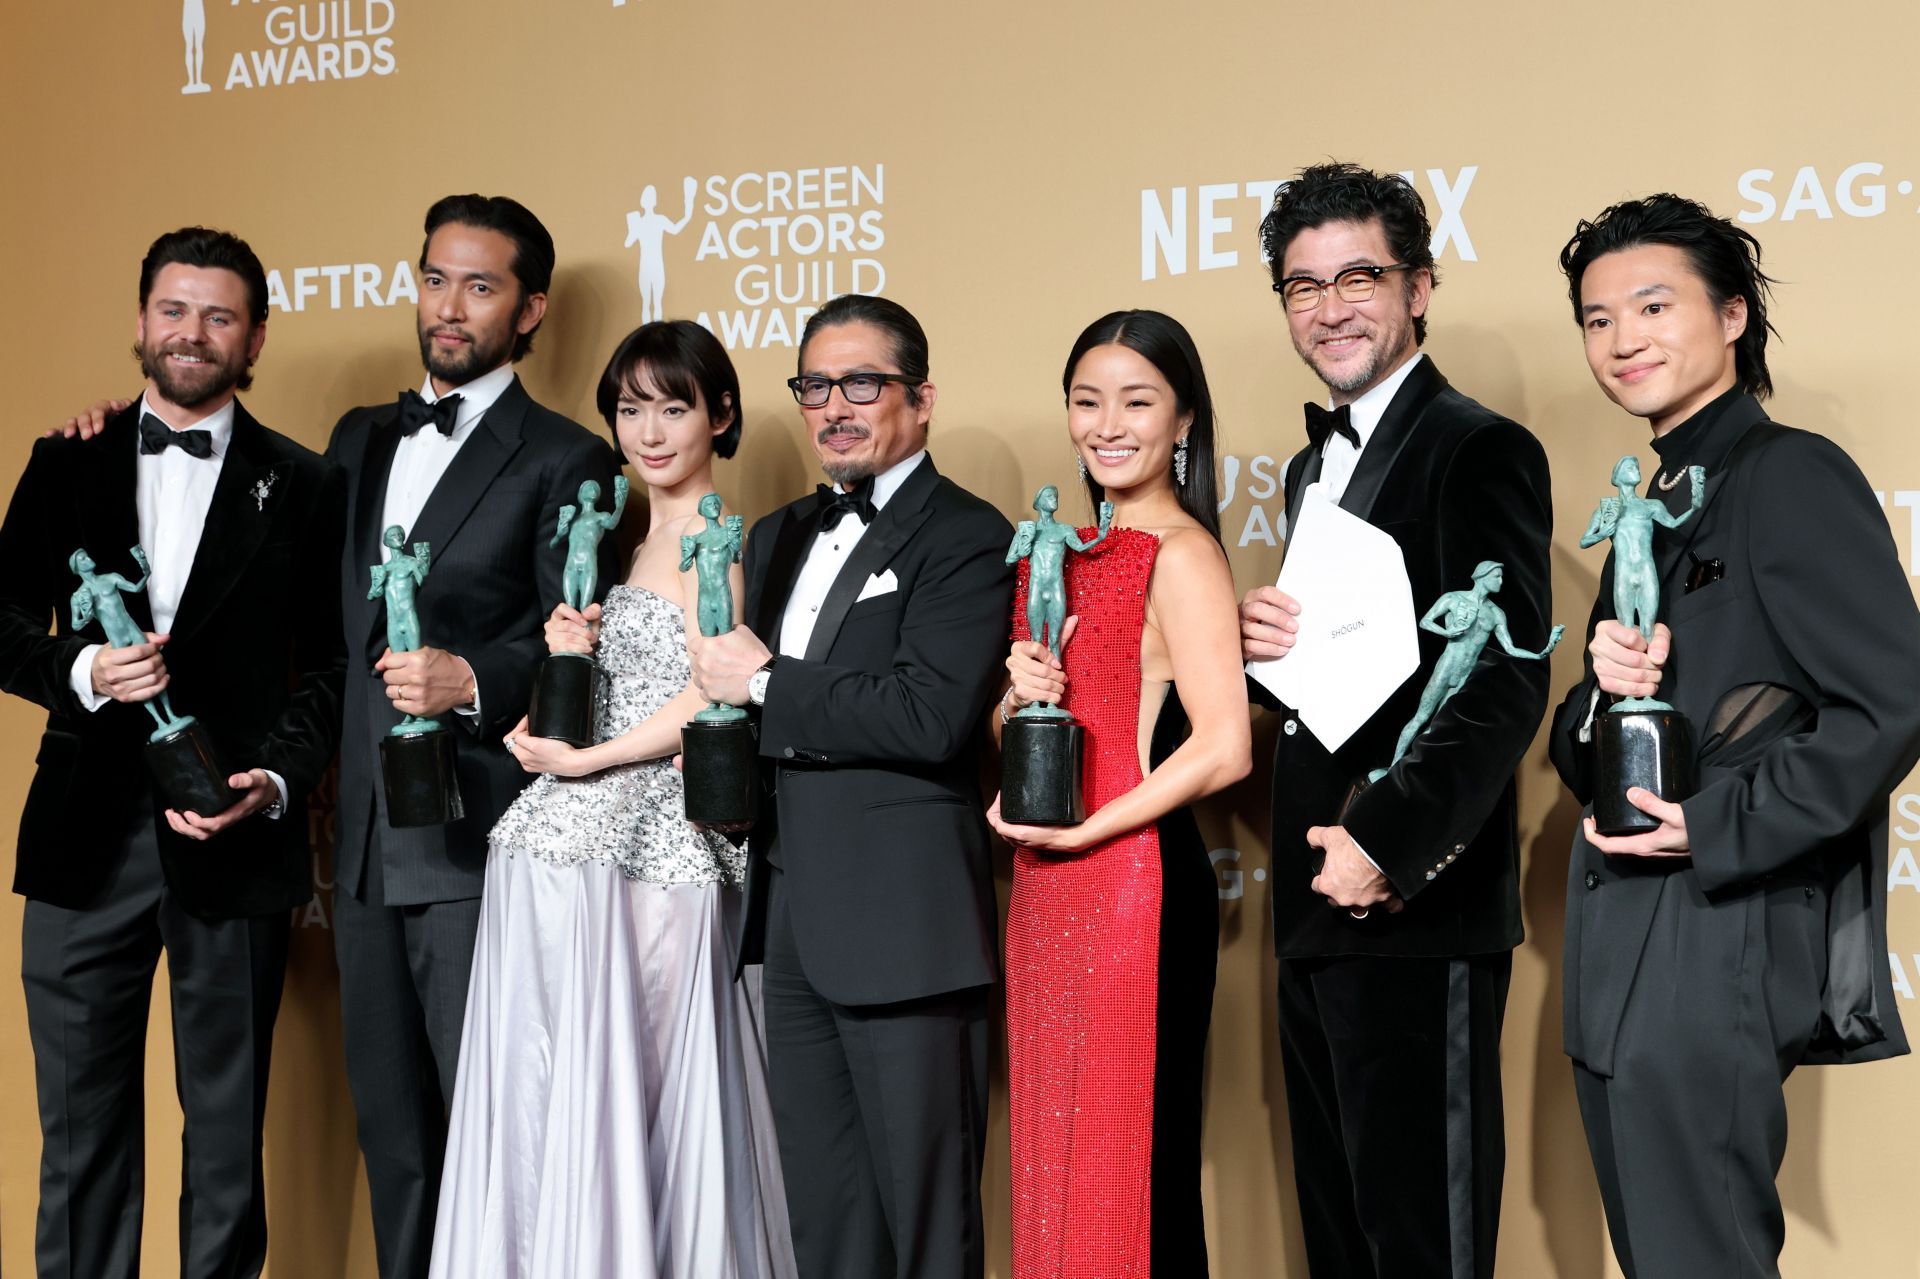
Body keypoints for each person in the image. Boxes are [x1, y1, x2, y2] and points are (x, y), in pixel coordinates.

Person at [1549, 194, 1920, 1279]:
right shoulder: (1646, 507)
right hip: (1616, 944)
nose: (1624, 340)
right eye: (1598, 317)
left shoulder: (1788, 475)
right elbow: (1586, 754)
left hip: (1719, 929)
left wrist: (1713, 825)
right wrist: (1596, 700)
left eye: (1654, 305)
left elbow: (1890, 702)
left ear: (1733, 317)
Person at [0, 226, 345, 1278]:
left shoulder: (306, 482)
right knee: (80, 1137)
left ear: (256, 337)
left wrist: (276, 781)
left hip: (233, 844)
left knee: (228, 1146)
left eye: (219, 315)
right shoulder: (66, 460)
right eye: (173, 310)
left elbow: (333, 668)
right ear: (140, 320)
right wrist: (84, 671)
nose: (191, 334)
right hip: (81, 847)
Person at [1237, 163, 1555, 1278]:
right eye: (1302, 286)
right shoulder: (1311, 467)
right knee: (1344, 1245)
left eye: (1358, 277)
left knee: (1425, 1247)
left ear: (1420, 286)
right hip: (1313, 912)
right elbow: (1361, 667)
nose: (1329, 308)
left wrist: (1388, 842)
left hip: (1417, 906)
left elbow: (1506, 679)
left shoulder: (1479, 447)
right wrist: (1262, 652)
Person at [429, 321, 794, 1278]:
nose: (650, 431)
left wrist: (588, 763)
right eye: (632, 409)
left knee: (642, 1081)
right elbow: (624, 683)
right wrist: (556, 693)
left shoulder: (721, 538)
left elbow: (713, 690)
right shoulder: (632, 536)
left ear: (721, 415)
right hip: (586, 826)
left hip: (656, 840)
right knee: (562, 1076)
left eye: (674, 407)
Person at [689, 294, 1013, 1279]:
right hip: (790, 925)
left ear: (920, 399)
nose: (836, 405)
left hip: (906, 931)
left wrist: (765, 683)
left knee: (927, 1226)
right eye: (816, 385)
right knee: (826, 1228)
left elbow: (930, 714)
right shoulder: (776, 533)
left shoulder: (965, 533)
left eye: (862, 382)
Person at [987, 310, 1250, 1278]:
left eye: (1137, 401)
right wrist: (1019, 697)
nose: (1109, 423)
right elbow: (1029, 733)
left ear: (1183, 420)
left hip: (1132, 879)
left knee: (1137, 1169)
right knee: (1054, 1159)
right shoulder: (1057, 551)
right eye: (1087, 400)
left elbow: (1223, 749)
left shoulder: (1179, 553)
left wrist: (1091, 826)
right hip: (1050, 881)